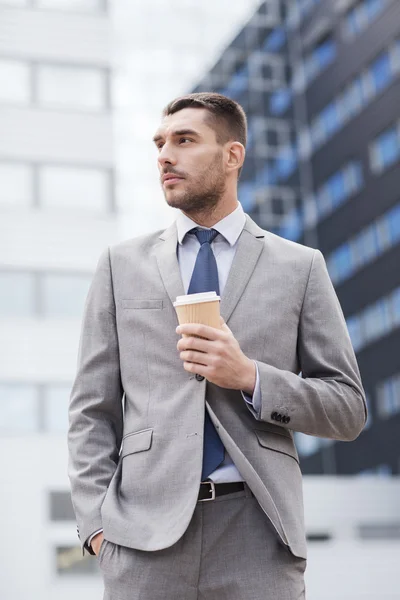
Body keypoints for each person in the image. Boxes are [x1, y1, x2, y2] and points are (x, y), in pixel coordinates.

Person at [68, 92, 367, 599]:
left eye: (185, 141)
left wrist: (251, 377)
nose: (165, 155)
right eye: (160, 143)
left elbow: (348, 408)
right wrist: (98, 527)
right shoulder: (121, 265)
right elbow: (91, 411)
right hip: (142, 541)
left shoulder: (300, 267)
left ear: (233, 156)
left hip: (259, 536)